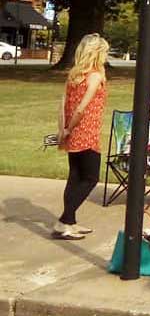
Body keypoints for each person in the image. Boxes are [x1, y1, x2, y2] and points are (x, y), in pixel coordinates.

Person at [53, 33, 110, 240]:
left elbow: (62, 103)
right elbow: (80, 108)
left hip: (73, 132)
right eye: (104, 52)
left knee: (75, 177)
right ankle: (64, 221)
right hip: (86, 133)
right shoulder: (95, 76)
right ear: (97, 53)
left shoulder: (74, 75)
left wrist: (64, 129)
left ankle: (71, 222)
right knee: (91, 178)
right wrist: (68, 128)